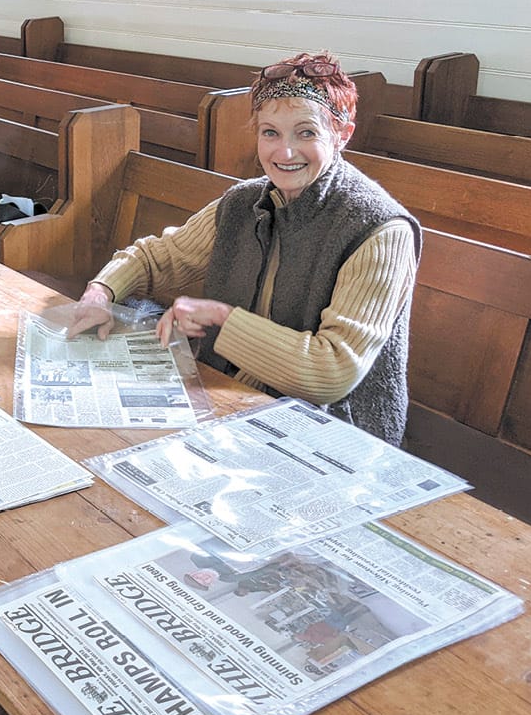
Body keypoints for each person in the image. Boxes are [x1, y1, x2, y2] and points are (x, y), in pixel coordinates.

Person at [66, 51, 420, 445]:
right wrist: (101, 292)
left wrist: (220, 316)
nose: (284, 153)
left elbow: (331, 372)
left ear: (342, 133)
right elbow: (156, 257)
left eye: (306, 133)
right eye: (270, 132)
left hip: (334, 432)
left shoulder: (379, 228)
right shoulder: (243, 203)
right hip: (236, 397)